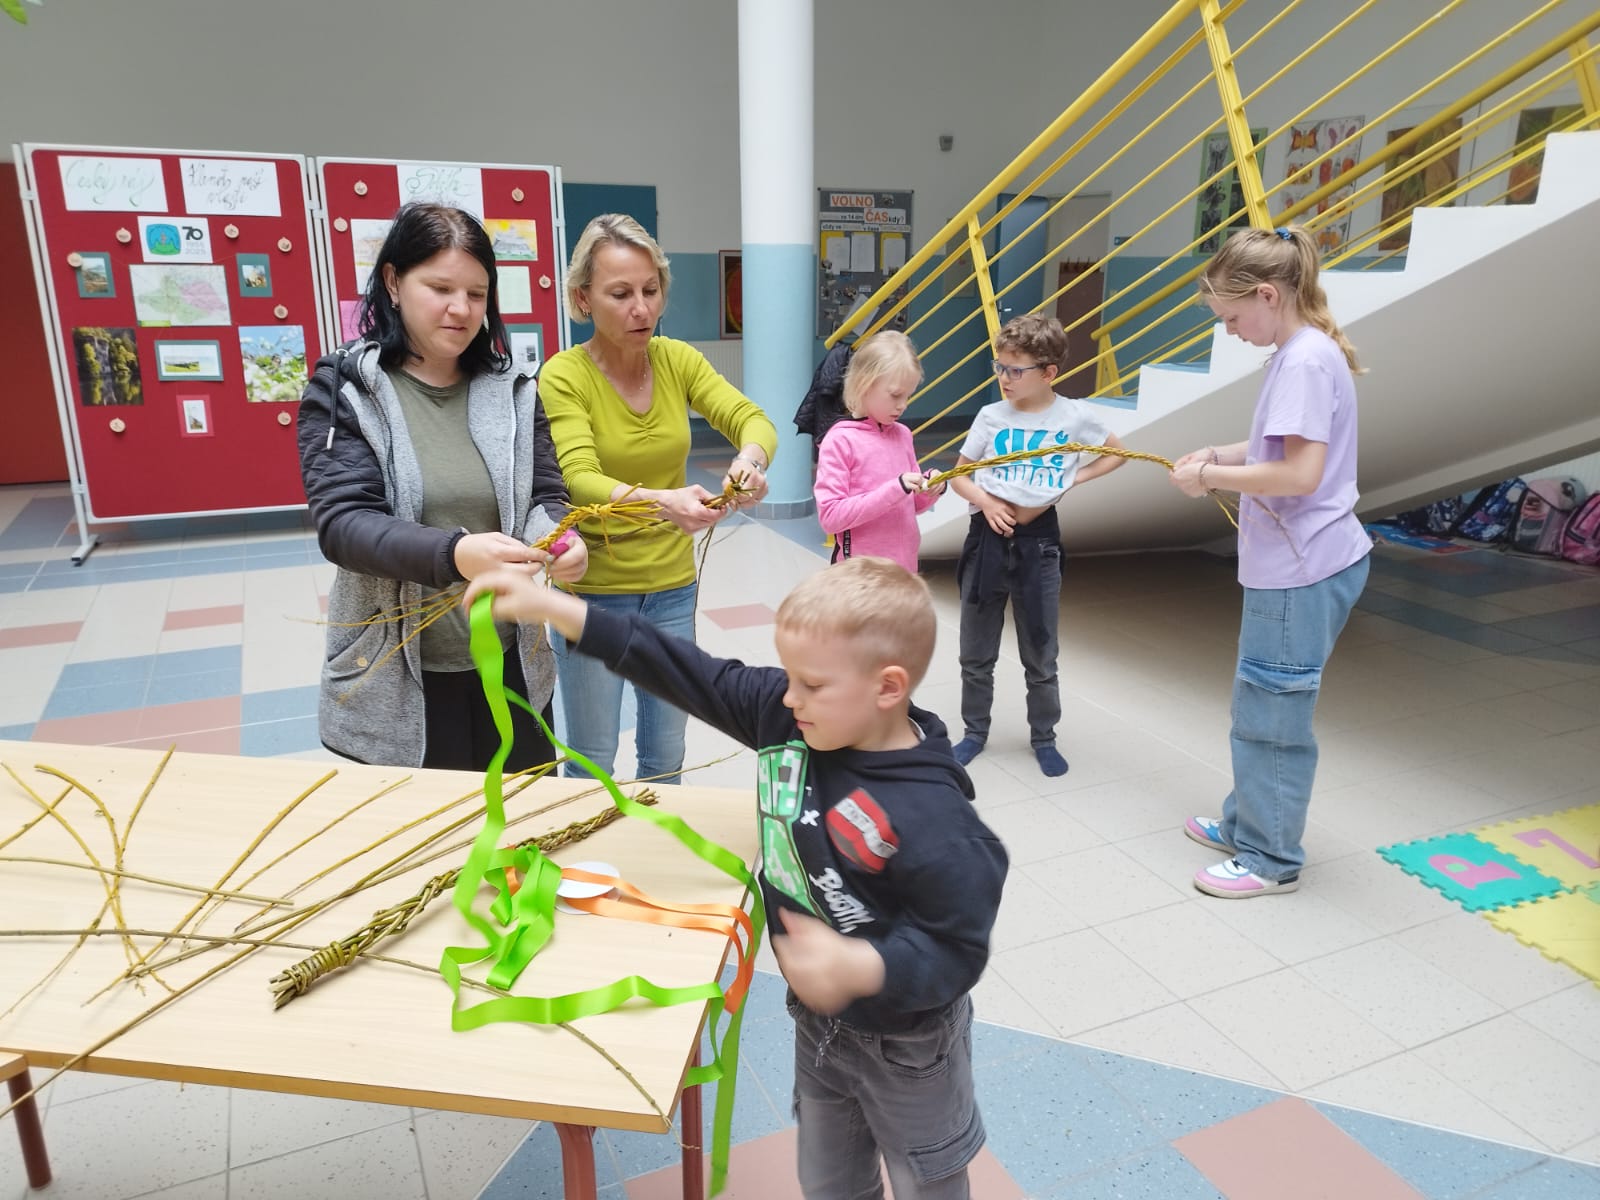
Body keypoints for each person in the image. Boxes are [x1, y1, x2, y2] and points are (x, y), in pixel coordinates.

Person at [463, 555, 1007, 1200]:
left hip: (909, 1044)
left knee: (928, 1180)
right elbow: (686, 669)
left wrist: (864, 966)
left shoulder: (938, 821)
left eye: (811, 684)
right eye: (789, 677)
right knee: (831, 1176)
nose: (788, 696)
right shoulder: (789, 717)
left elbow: (956, 948)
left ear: (888, 688)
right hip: (818, 1020)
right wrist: (560, 609)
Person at [297, 202, 588, 772]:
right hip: (401, 675)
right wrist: (456, 554)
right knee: (434, 824)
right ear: (393, 282)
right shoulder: (346, 391)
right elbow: (344, 525)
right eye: (440, 288)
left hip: (510, 658)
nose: (461, 309)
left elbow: (543, 494)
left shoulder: (512, 388)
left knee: (525, 814)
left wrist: (559, 537)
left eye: (477, 294)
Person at [538, 214, 778, 785]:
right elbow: (579, 477)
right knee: (592, 757)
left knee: (665, 755)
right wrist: (662, 502)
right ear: (583, 298)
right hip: (592, 595)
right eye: (620, 294)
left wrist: (750, 462)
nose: (641, 308)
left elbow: (751, 419)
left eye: (651, 290)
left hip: (672, 589)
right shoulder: (564, 374)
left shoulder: (677, 359)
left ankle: (655, 841)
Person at [1169, 224, 1372, 899]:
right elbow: (1273, 447)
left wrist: (1210, 479)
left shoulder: (1306, 360)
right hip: (1296, 565)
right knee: (1259, 702)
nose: (1228, 331)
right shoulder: (1300, 352)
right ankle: (1246, 823)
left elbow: (1299, 474)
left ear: (1266, 294)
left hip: (1302, 569)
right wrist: (1216, 455)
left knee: (1272, 718)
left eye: (1231, 317)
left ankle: (1270, 858)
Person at [947, 313, 1127, 777]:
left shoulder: (1074, 416)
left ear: (1048, 372)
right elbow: (959, 475)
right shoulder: (991, 416)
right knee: (975, 652)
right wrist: (987, 503)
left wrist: (1071, 479)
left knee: (1041, 653)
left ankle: (1044, 737)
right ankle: (974, 732)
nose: (1004, 378)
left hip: (1039, 545)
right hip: (986, 541)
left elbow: (1117, 453)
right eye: (1000, 368)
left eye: (1015, 370)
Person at [812, 330, 946, 573]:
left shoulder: (903, 435)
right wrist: (895, 488)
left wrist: (930, 488)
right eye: (895, 395)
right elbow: (831, 517)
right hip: (861, 577)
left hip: (904, 571)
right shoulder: (840, 440)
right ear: (863, 385)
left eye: (908, 396)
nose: (903, 405)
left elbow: (912, 504)